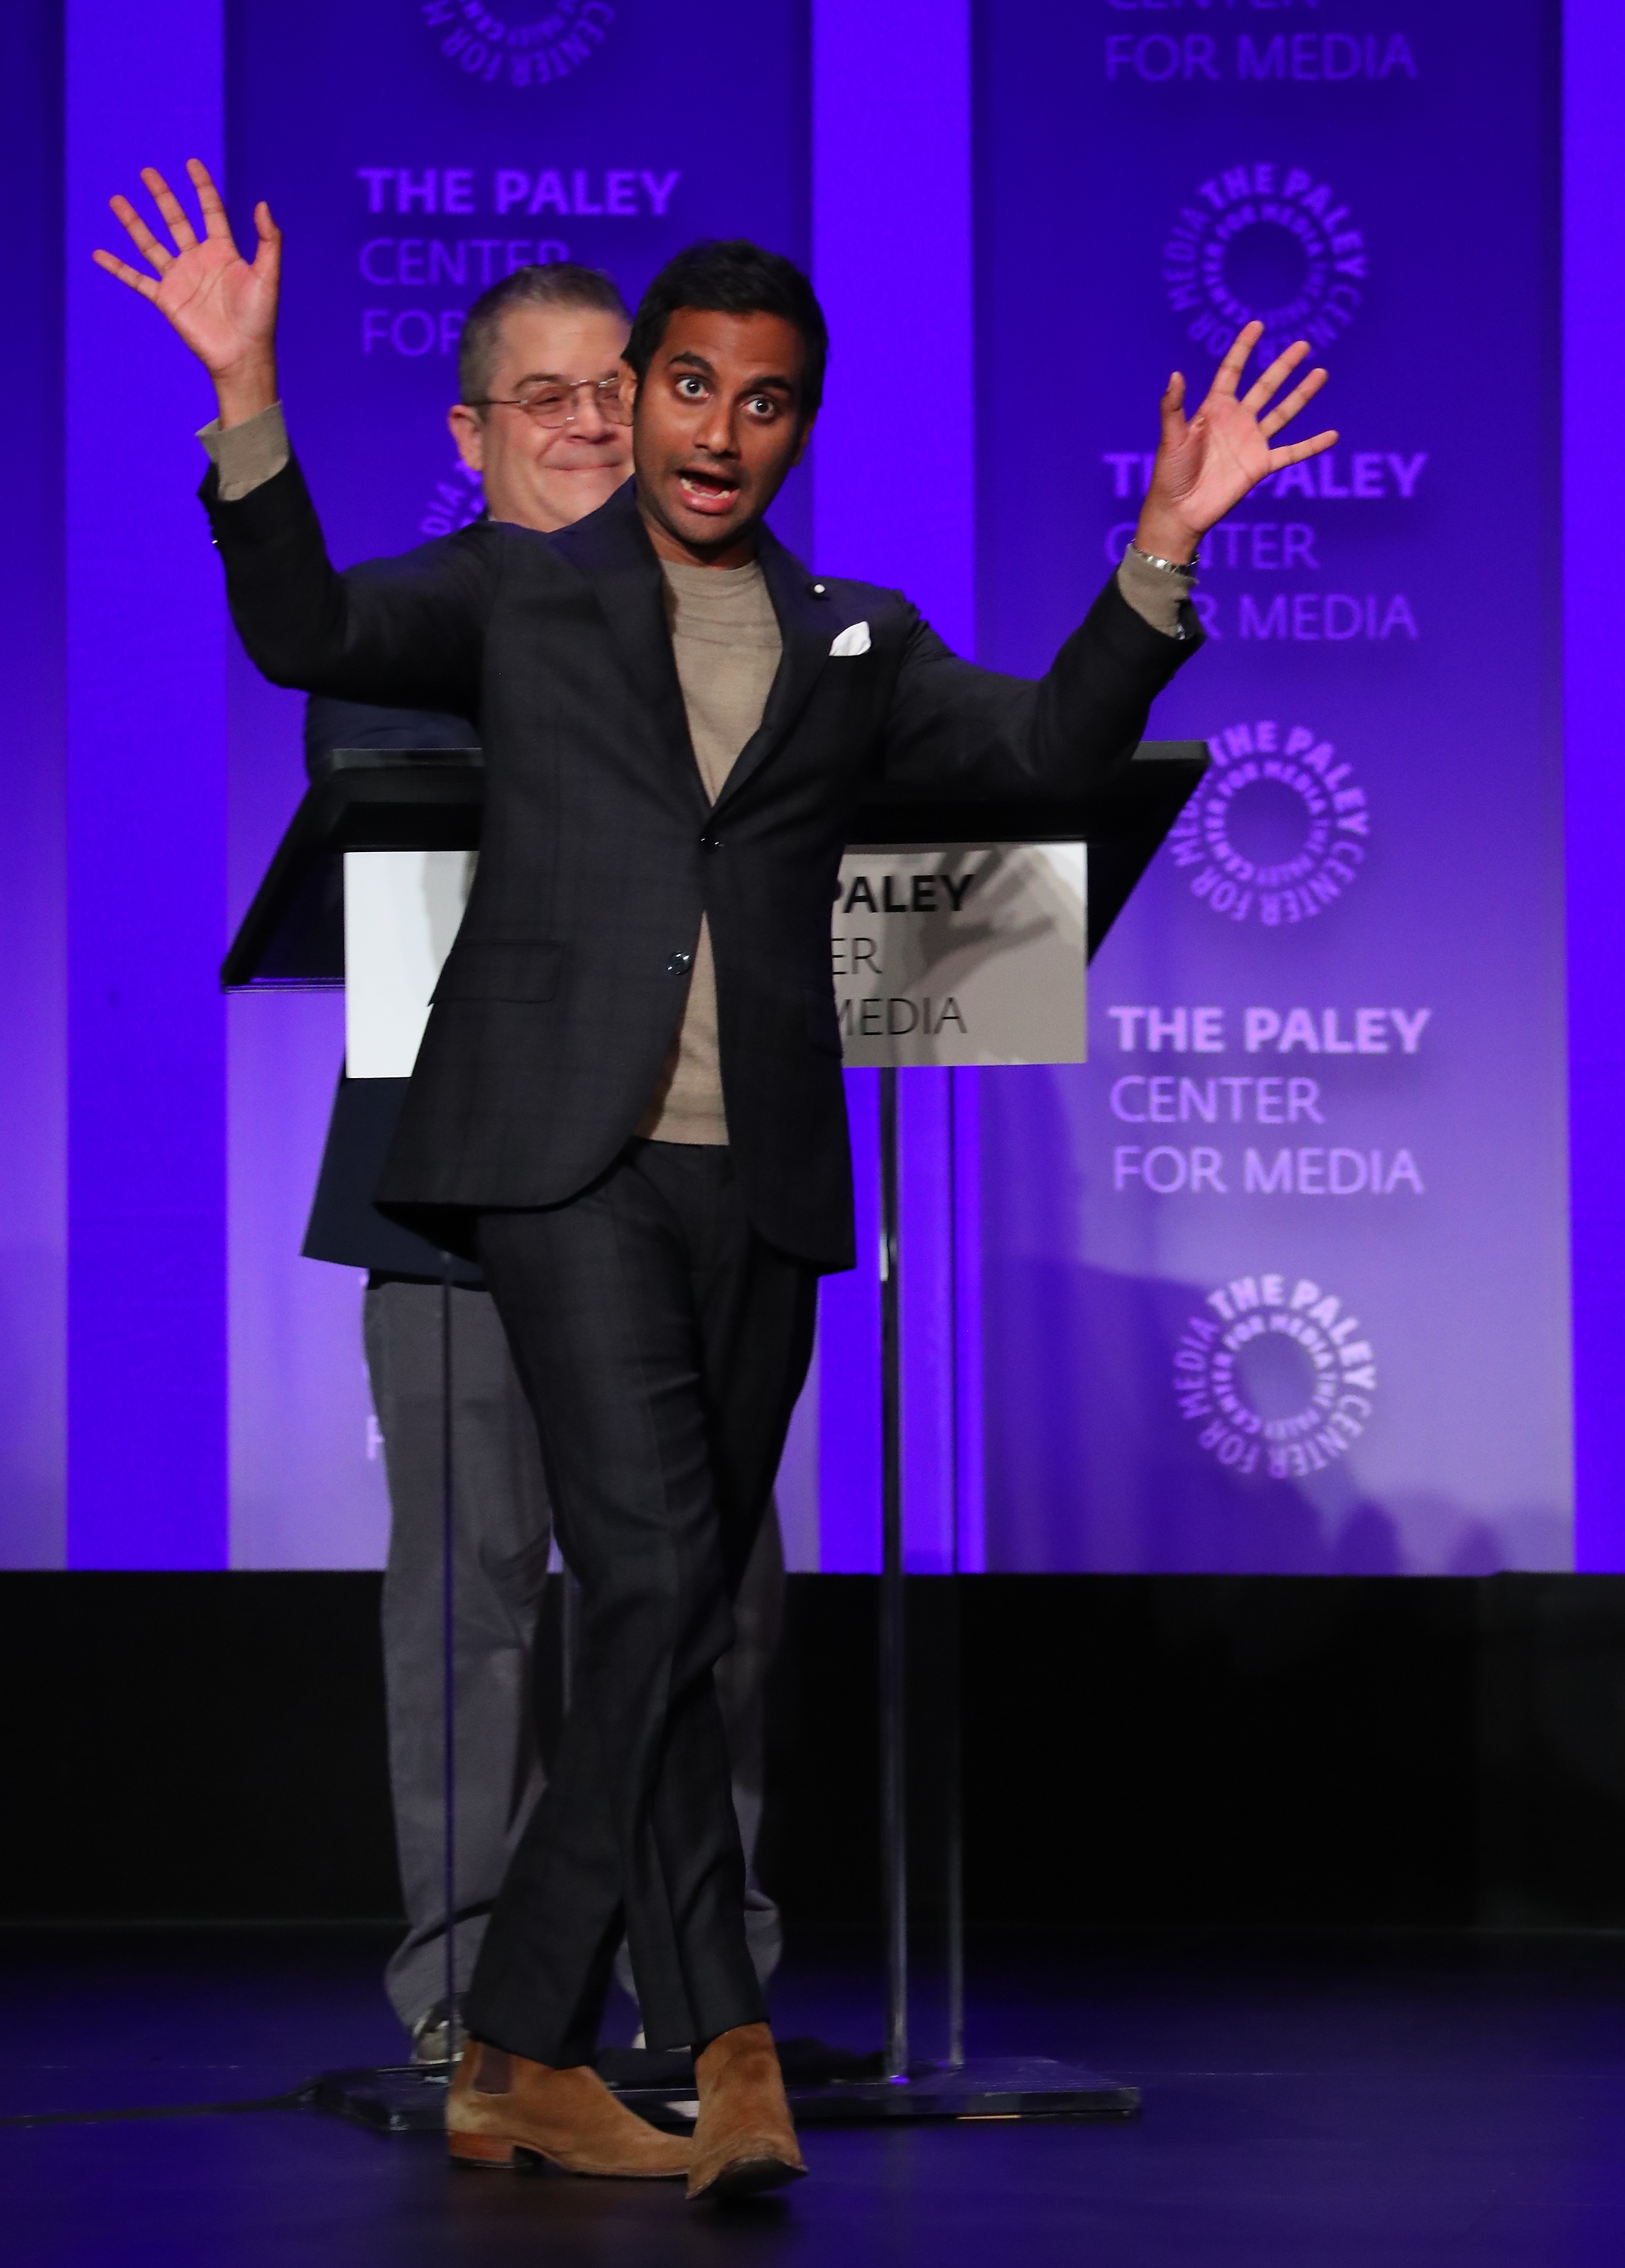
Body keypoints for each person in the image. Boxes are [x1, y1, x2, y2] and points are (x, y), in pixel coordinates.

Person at [96, 159, 1335, 2200]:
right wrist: (246, 397)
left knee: (693, 1619)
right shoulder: (518, 592)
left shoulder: (855, 640)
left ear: (792, 425)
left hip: (753, 1187)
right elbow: (304, 626)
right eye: (677, 388)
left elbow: (1036, 762)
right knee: (659, 1581)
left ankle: (718, 2041)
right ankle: (514, 2034)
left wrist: (1154, 560)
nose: (706, 431)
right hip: (556, 1167)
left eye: (758, 402)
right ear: (642, 399)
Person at [299, 262, 789, 2063]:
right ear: (472, 435)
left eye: (618, 392)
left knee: (708, 1601)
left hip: (685, 1185)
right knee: (478, 1602)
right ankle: (467, 2003)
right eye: (550, 398)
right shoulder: (420, 627)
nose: (594, 423)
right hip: (453, 1208)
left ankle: (703, 1993)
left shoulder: (744, 628)